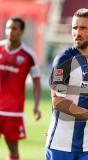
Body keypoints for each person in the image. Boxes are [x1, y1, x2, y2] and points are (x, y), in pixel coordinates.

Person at [45, 8, 88, 160]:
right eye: (75, 27)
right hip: (61, 145)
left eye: (83, 28)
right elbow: (58, 101)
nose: (77, 32)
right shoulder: (64, 60)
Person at [0, 17, 41, 160]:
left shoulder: (29, 55)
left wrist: (36, 105)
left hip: (13, 112)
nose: (10, 31)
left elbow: (37, 81)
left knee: (13, 150)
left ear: (22, 31)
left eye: (14, 28)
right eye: (8, 28)